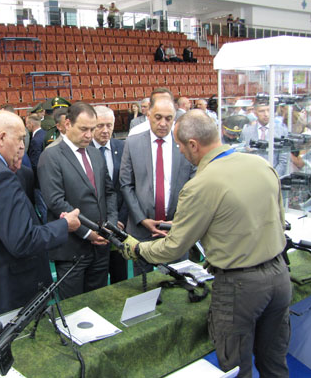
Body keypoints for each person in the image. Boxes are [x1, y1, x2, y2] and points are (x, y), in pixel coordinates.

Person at [119, 110, 291, 378]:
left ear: (193, 145)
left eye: (179, 145)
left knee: (236, 366)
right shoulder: (260, 164)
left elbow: (173, 248)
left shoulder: (200, 184)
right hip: (280, 277)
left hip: (240, 288)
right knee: (275, 363)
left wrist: (137, 249)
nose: (179, 151)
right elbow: (274, 219)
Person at [0, 111, 80, 328]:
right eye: (20, 138)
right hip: (8, 290)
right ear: (1, 138)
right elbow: (23, 240)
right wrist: (64, 226)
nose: (22, 145)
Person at [38, 102, 118, 299]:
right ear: (67, 124)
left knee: (98, 301)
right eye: (84, 129)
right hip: (71, 250)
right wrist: (87, 233)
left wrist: (112, 225)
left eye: (92, 129)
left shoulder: (93, 152)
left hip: (101, 245)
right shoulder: (51, 156)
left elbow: (109, 192)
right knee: (73, 307)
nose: (89, 135)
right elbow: (56, 202)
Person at [120, 96, 194, 276]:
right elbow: (126, 184)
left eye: (169, 118)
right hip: (141, 229)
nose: (163, 123)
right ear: (148, 115)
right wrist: (142, 219)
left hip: (176, 228)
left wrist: (178, 221)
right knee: (143, 286)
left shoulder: (186, 144)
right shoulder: (133, 143)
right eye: (158, 117)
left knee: (178, 284)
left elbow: (194, 186)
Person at [92, 105, 128, 283]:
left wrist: (119, 219)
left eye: (109, 125)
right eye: (100, 126)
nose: (105, 131)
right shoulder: (83, 151)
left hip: (120, 226)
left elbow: (128, 186)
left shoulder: (123, 147)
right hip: (94, 228)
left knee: (120, 275)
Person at [240, 100, 289, 176]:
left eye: (268, 110)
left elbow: (283, 161)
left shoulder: (282, 131)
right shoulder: (246, 131)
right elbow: (243, 157)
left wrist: (273, 177)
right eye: (262, 111)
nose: (266, 114)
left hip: (274, 177)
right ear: (255, 113)